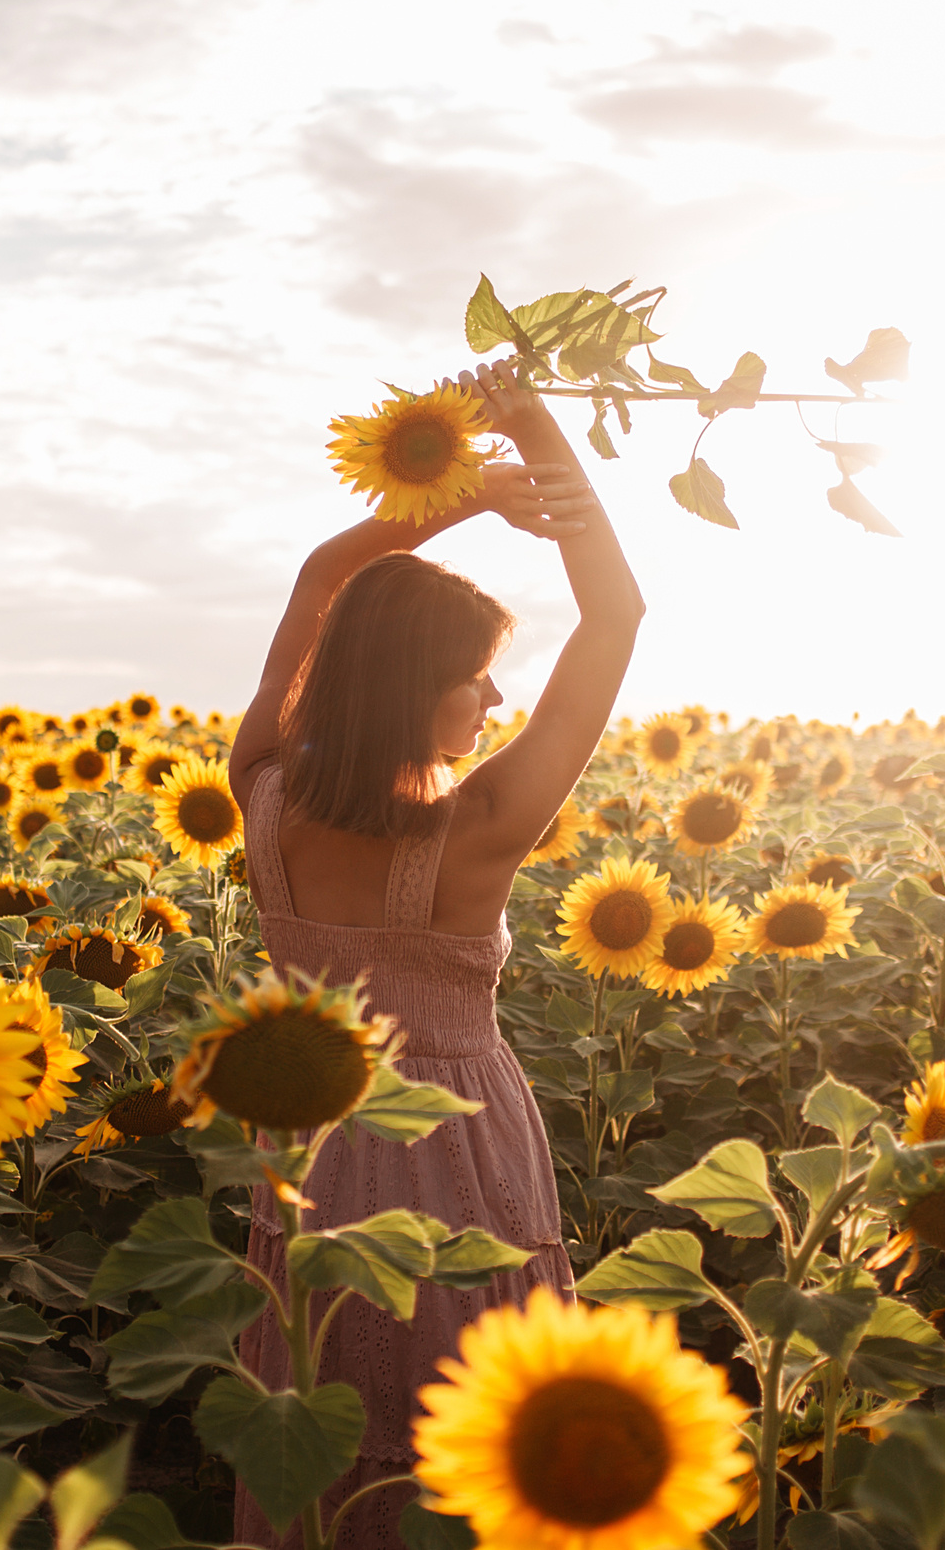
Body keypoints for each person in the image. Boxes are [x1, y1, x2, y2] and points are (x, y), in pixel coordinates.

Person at [227, 358, 644, 1550]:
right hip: (457, 1161)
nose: (495, 702)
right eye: (477, 682)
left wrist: (458, 487)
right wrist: (533, 436)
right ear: (421, 693)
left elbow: (324, 576)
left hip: (309, 1152)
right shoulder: (476, 831)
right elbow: (616, 617)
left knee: (321, 1417)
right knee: (474, 1437)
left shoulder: (258, 791)